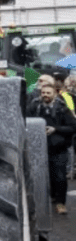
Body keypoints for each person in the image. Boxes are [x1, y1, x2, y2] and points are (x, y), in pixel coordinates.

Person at [27, 82, 76, 214]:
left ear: (54, 93)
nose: (45, 95)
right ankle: (46, 200)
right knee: (41, 176)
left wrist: (56, 129)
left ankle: (60, 203)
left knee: (59, 176)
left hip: (59, 148)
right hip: (39, 148)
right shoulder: (35, 107)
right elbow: (25, 121)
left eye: (48, 93)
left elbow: (72, 127)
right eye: (43, 93)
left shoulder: (62, 108)